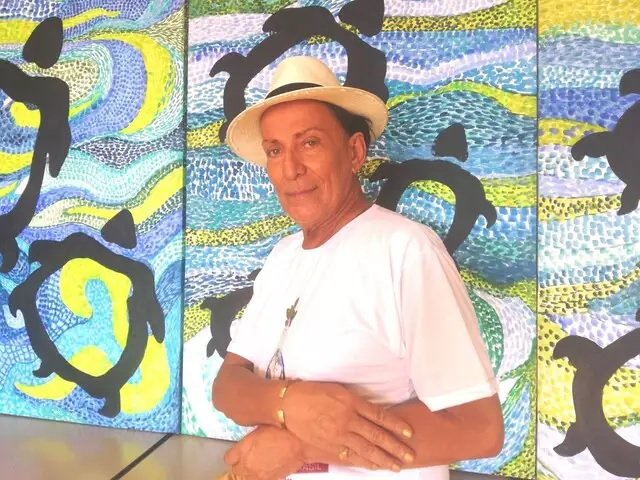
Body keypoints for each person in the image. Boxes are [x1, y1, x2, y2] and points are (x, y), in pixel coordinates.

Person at [212, 56, 504, 480]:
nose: (290, 169)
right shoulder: (283, 257)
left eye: (309, 143)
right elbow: (227, 385)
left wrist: (299, 447)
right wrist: (287, 403)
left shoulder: (406, 250)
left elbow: (478, 428)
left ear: (354, 152)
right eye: (275, 150)